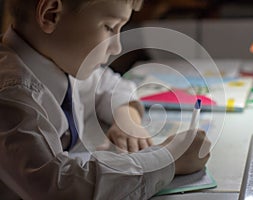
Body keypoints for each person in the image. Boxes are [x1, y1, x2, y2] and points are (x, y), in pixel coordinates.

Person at [0, 0, 211, 199]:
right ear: (51, 15)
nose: (117, 47)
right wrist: (168, 158)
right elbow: (60, 187)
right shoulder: (11, 96)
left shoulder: (59, 61)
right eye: (110, 27)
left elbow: (111, 85)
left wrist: (127, 120)